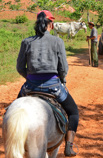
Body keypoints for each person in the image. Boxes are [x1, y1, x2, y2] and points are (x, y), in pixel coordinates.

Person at [17, 10, 79, 157]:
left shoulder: (26, 42)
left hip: (30, 86)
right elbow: (63, 68)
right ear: (51, 24)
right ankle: (69, 147)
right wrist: (61, 79)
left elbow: (20, 68)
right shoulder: (58, 41)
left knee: (13, 111)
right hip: (53, 86)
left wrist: (30, 78)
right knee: (73, 112)